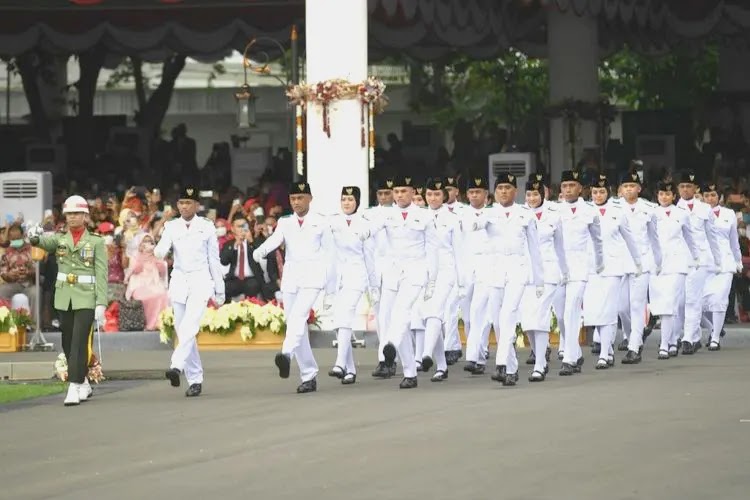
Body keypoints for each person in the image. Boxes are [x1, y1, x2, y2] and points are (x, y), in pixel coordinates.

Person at [253, 182, 335, 394]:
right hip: (291, 277)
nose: (296, 202)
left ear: (309, 198)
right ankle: (308, 375)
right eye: (293, 199)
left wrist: (331, 287)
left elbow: (330, 256)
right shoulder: (285, 222)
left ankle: (286, 354)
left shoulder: (321, 222)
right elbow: (275, 240)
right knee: (296, 325)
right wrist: (259, 251)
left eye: (300, 198)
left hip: (313, 277)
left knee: (298, 318)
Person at [28, 195, 108, 406]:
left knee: (79, 341)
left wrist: (101, 303)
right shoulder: (60, 239)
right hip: (64, 297)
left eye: (77, 214)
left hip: (86, 297)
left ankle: (73, 385)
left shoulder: (96, 242)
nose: (73, 217)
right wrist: (33, 236)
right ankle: (83, 381)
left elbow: (101, 274)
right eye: (69, 214)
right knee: (67, 341)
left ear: (85, 216)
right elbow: (42, 242)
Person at [472, 173, 543, 385]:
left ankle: (501, 363)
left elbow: (535, 250)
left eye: (508, 187)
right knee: (497, 320)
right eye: (500, 187)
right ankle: (510, 371)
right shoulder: (488, 213)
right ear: (494, 191)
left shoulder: (525, 214)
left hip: (517, 268)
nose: (504, 191)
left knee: (509, 313)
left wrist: (539, 281)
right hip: (495, 269)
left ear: (516, 191)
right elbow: (472, 226)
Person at [367, 175, 438, 389]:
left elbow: (433, 250)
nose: (399, 196)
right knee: (391, 319)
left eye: (403, 191)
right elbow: (370, 230)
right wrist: (359, 234)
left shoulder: (425, 216)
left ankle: (390, 345)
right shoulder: (386, 215)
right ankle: (409, 372)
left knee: (403, 310)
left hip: (416, 271)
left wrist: (432, 280)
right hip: (392, 273)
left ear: (413, 192)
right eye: (396, 192)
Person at [155, 187, 225, 398]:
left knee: (190, 325)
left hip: (200, 279)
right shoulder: (171, 226)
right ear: (177, 206)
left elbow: (214, 260)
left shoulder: (206, 227)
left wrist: (219, 290)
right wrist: (158, 242)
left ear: (197, 205)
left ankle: (176, 366)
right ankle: (195, 380)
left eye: (189, 203)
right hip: (180, 280)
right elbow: (160, 251)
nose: (185, 206)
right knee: (183, 328)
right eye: (181, 203)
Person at [584, 174, 643, 369]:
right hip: (591, 267)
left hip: (613, 266)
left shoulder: (618, 210)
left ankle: (603, 352)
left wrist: (638, 262)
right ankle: (607, 350)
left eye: (601, 191)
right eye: (594, 192)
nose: (598, 195)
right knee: (595, 311)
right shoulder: (584, 210)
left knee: (610, 309)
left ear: (608, 192)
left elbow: (630, 239)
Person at [326, 186, 377, 385]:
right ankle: (350, 370)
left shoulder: (364, 224)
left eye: (350, 199)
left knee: (345, 314)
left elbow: (370, 257)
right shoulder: (333, 222)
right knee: (338, 321)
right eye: (344, 199)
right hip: (338, 275)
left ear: (357, 202)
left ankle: (339, 363)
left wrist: (373, 286)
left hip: (357, 274)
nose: (346, 203)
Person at [519, 177, 568, 382]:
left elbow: (560, 246)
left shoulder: (554, 215)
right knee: (528, 322)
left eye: (535, 194)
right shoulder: (518, 214)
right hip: (526, 274)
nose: (532, 198)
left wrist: (565, 271)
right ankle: (540, 355)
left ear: (543, 195)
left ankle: (540, 364)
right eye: (529, 194)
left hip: (548, 272)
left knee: (539, 317)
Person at [557, 170, 604, 376]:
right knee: (560, 315)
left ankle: (568, 359)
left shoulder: (589, 211)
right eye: (565, 186)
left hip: (579, 265)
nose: (568, 189)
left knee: (571, 310)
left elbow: (598, 240)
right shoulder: (554, 210)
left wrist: (599, 264)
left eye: (572, 185)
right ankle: (575, 352)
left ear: (580, 188)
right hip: (558, 266)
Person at [418, 178, 465, 382]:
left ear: (444, 196)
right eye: (429, 194)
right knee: (428, 315)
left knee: (436, 310)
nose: (433, 198)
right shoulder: (419, 217)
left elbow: (460, 251)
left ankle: (426, 354)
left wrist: (462, 281)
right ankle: (442, 366)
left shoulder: (453, 219)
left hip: (447, 270)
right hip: (426, 272)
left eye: (437, 194)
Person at [650, 181, 700, 358]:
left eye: (668, 194)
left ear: (673, 196)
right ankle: (671, 340)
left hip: (677, 263)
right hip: (657, 264)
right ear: (657, 195)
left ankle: (665, 343)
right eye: (661, 194)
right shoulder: (651, 213)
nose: (664, 197)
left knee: (672, 303)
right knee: (662, 305)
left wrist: (696, 257)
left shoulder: (682, 214)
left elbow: (690, 237)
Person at [675, 172, 722, 354]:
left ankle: (687, 338)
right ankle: (693, 337)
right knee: (679, 302)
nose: (686, 189)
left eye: (689, 186)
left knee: (693, 300)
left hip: (699, 260)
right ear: (678, 189)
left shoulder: (704, 209)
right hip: (678, 260)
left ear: (695, 189)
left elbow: (712, 237)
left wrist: (718, 261)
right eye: (682, 186)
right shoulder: (672, 208)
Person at [701, 183, 743, 350]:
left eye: (713, 195)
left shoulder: (729, 213)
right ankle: (712, 328)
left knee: (719, 301)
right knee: (697, 304)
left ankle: (715, 338)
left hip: (725, 263)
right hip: (704, 262)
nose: (710, 199)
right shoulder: (697, 213)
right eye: (707, 195)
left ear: (719, 197)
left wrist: (738, 260)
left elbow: (734, 241)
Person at [220, 215, 275, 302]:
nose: (242, 229)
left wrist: (251, 241)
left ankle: (250, 311)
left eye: (244, 226)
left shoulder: (254, 242)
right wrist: (235, 246)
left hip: (252, 278)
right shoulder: (229, 244)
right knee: (225, 287)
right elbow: (224, 261)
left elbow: (264, 255)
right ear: (233, 229)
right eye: (239, 226)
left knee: (252, 286)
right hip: (234, 279)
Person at [124, 233, 169, 331]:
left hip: (154, 284)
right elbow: (135, 270)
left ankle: (159, 323)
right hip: (138, 284)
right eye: (145, 241)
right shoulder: (135, 255)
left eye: (150, 242)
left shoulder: (156, 255)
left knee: (162, 295)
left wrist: (156, 258)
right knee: (145, 297)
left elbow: (162, 271)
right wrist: (142, 256)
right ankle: (149, 324)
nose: (148, 243)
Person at [0, 224, 36, 316]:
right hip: (13, 284)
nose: (15, 241)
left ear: (23, 235)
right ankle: (6, 323)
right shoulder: (7, 252)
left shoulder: (32, 249)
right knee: (1, 291)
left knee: (36, 293)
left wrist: (28, 272)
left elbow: (38, 269)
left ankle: (34, 327)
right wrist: (10, 275)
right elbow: (3, 272)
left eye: (17, 239)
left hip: (30, 284)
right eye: (13, 239)